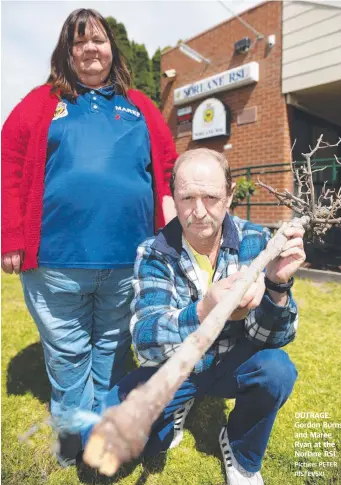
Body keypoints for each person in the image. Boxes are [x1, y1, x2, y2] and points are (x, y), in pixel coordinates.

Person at [1, 8, 177, 461]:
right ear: (67, 52)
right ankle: (71, 439)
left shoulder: (139, 105)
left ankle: (102, 433)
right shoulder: (41, 103)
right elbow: (9, 167)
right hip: (56, 264)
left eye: (97, 39)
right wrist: (10, 238)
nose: (90, 48)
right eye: (79, 42)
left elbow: (168, 168)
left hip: (127, 261)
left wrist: (176, 231)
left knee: (114, 352)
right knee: (67, 356)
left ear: (111, 48)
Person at [77, 148, 306, 484]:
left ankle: (242, 452)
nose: (199, 212)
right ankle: (173, 415)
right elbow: (146, 342)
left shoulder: (255, 239)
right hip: (176, 369)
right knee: (96, 444)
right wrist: (203, 310)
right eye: (187, 198)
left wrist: (276, 286)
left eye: (211, 197)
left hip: (234, 362)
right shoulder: (154, 251)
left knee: (277, 371)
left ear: (229, 197)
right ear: (173, 198)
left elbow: (271, 338)